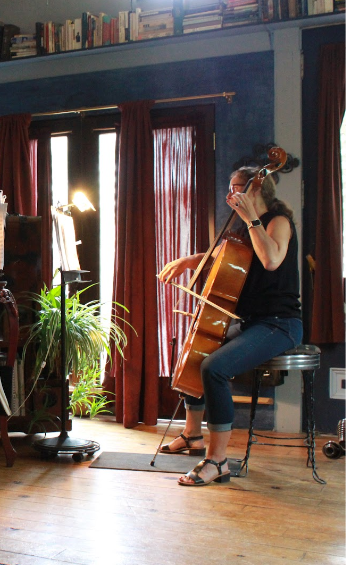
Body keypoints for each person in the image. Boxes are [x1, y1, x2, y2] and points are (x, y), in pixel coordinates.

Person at [157, 165, 302, 487]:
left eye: (236, 186)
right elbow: (229, 258)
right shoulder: (243, 228)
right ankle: (192, 435)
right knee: (197, 355)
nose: (229, 193)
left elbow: (271, 260)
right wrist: (191, 260)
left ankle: (218, 460)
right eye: (230, 186)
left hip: (280, 324)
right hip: (251, 322)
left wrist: (251, 219)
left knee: (214, 368)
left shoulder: (277, 223)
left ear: (256, 189)